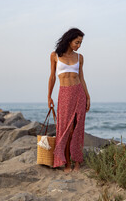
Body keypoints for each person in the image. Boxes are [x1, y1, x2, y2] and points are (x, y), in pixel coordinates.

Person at [48, 28, 90, 172]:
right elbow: (52, 77)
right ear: (69, 40)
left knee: (77, 129)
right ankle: (66, 163)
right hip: (64, 94)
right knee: (65, 129)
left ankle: (77, 161)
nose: (79, 45)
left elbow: (82, 78)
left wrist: (88, 96)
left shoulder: (80, 57)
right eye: (77, 42)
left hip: (79, 93)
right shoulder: (54, 56)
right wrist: (49, 96)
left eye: (80, 43)